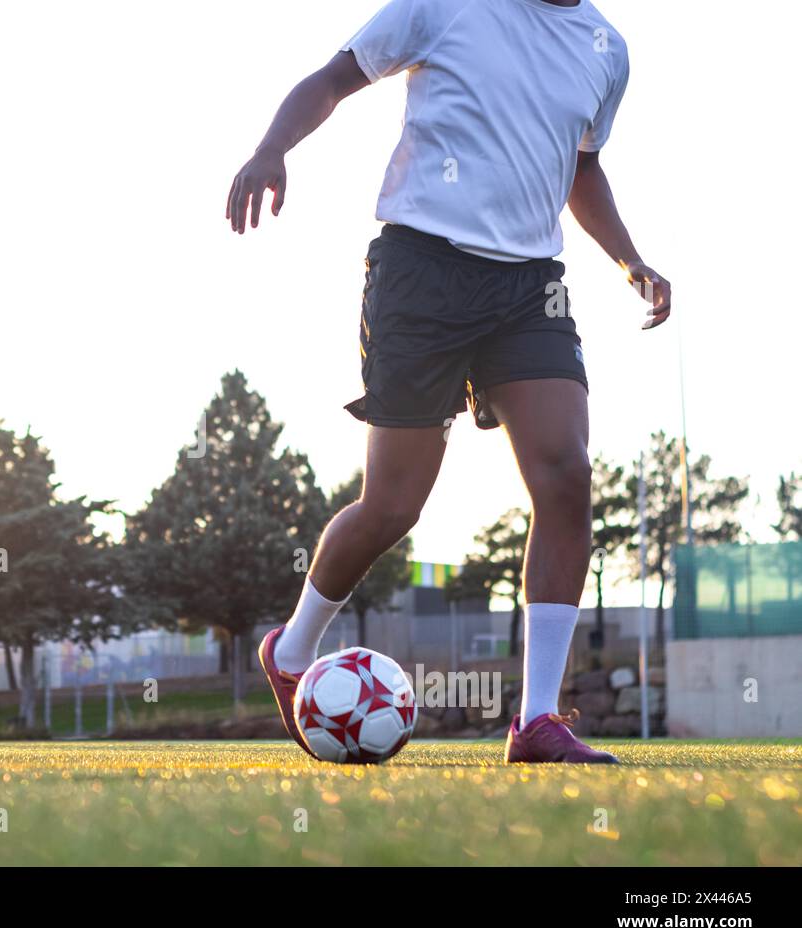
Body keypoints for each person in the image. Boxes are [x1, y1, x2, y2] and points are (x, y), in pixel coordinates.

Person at [226, 0, 670, 763]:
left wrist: (629, 258)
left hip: (531, 287)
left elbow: (581, 165)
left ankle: (536, 722)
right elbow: (333, 78)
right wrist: (273, 147)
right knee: (393, 506)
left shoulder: (607, 49)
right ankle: (292, 648)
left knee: (566, 478)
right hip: (421, 271)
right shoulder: (445, 5)